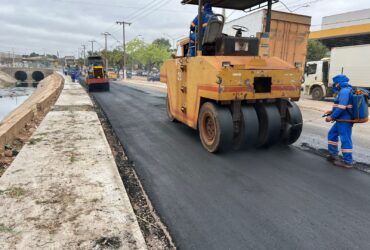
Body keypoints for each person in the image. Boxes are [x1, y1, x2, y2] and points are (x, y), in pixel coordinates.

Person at [325, 74, 354, 169]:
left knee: (345, 139)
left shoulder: (345, 91)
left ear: (339, 83)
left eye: (335, 83)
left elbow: (342, 107)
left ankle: (348, 162)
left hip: (344, 120)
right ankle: (333, 155)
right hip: (340, 119)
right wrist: (331, 111)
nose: (334, 85)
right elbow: (340, 106)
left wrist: (331, 117)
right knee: (332, 134)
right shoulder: (344, 90)